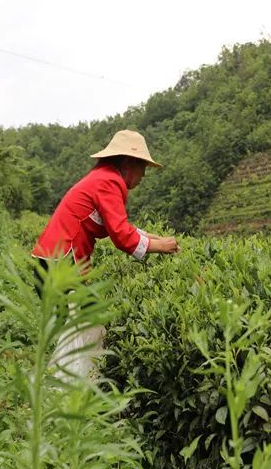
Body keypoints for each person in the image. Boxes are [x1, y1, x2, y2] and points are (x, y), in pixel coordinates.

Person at [31, 129, 178, 381]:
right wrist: (162, 247)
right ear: (130, 163)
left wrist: (153, 237)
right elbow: (122, 237)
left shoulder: (101, 177)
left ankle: (65, 393)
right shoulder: (110, 182)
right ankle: (64, 398)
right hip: (62, 263)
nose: (143, 175)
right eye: (143, 167)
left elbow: (117, 225)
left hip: (53, 261)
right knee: (83, 331)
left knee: (81, 330)